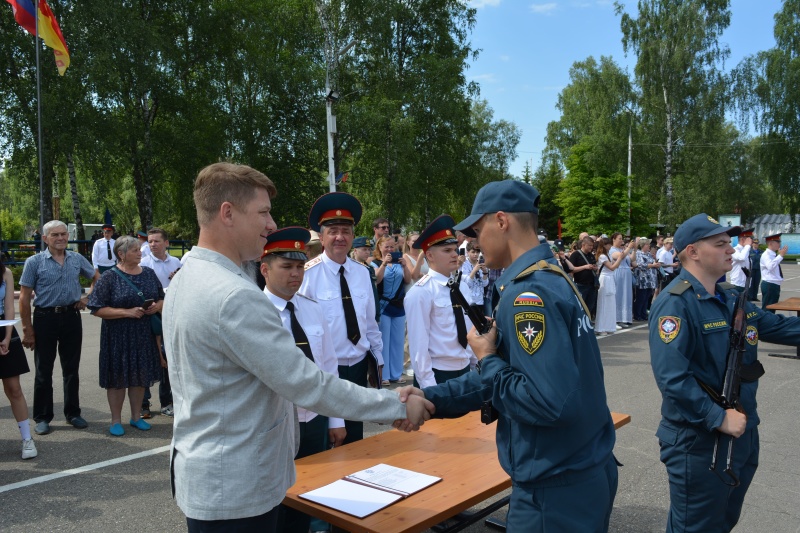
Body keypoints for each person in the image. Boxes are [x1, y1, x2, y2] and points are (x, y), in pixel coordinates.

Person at [164, 163, 432, 531]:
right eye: (263, 212)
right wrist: (393, 403)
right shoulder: (234, 296)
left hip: (212, 476)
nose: (272, 224)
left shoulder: (186, 276)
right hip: (239, 486)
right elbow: (306, 383)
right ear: (227, 213)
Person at [399, 180, 618, 532]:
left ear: (502, 221)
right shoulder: (551, 277)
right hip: (577, 470)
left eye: (476, 229)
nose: (471, 242)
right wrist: (431, 398)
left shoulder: (527, 294)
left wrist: (487, 359)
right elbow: (507, 378)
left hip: (555, 489)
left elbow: (548, 402)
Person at [648, 213, 800, 532]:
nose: (731, 249)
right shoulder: (676, 304)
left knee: (723, 521)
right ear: (693, 251)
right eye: (720, 244)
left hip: (742, 429)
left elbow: (784, 328)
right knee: (697, 525)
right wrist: (718, 418)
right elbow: (672, 379)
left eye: (729, 243)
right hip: (700, 438)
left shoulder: (731, 297)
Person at [260, 227, 345, 533]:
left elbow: (329, 369)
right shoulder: (255, 313)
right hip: (277, 423)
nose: (296, 274)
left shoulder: (312, 309)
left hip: (316, 419)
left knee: (312, 494)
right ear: (265, 269)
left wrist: (336, 420)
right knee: (277, 500)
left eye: (299, 266)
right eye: (287, 267)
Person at [300, 192, 389, 445]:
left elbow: (370, 323)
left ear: (352, 235)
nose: (340, 237)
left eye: (346, 231)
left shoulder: (362, 273)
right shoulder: (307, 276)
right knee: (328, 442)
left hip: (359, 367)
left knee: (355, 441)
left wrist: (378, 359)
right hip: (326, 372)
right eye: (333, 231)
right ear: (323, 236)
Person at [19, 220, 99, 435]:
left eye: (63, 234)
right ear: (45, 238)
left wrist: (87, 298)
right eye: (55, 235)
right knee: (44, 371)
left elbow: (97, 278)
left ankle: (73, 413)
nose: (61, 238)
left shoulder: (76, 259)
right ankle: (43, 417)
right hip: (45, 318)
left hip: (71, 317)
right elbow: (24, 298)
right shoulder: (34, 262)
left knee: (71, 369)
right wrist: (27, 328)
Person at [88, 236, 163, 436]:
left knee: (139, 377)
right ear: (121, 254)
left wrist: (156, 306)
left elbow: (161, 298)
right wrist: (127, 312)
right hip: (117, 336)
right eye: (135, 250)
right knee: (117, 378)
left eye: (139, 249)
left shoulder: (148, 273)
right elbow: (96, 308)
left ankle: (136, 417)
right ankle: (115, 420)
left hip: (143, 334)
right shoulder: (109, 277)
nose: (140, 253)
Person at [405, 215, 476, 389]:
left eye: (455, 249)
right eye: (447, 251)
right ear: (429, 254)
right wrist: (430, 388)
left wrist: (475, 366)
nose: (454, 255)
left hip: (466, 370)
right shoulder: (421, 292)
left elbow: (469, 331)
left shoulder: (462, 288)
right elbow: (418, 349)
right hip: (437, 374)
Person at [139, 227, 182, 418]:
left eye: (156, 241)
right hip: (150, 314)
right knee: (148, 357)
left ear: (167, 243)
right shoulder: (144, 264)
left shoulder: (176, 262)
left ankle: (167, 402)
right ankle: (144, 404)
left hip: (170, 313)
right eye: (150, 241)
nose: (152, 244)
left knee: (168, 358)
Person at [1, 256, 37, 459]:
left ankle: (26, 439)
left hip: (3, 332)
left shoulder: (4, 272)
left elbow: (8, 308)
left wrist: (7, 337)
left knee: (14, 389)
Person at [371, 236, 411, 385]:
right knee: (384, 342)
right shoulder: (374, 263)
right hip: (384, 306)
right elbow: (377, 279)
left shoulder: (399, 263)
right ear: (380, 247)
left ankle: (396, 373)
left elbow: (407, 280)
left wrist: (405, 266)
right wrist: (384, 264)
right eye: (386, 247)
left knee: (398, 341)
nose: (389, 250)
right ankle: (384, 374)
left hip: (399, 306)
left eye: (392, 247)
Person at [595, 237, 630, 336]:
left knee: (610, 303)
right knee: (604, 303)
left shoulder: (607, 255)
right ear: (605, 245)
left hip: (610, 278)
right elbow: (612, 267)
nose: (610, 246)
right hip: (605, 279)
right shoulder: (602, 256)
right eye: (609, 244)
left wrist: (618, 260)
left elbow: (615, 266)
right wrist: (620, 258)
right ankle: (600, 327)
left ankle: (609, 326)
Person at [609, 232, 637, 327]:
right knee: (618, 295)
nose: (621, 240)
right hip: (618, 272)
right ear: (614, 239)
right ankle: (615, 319)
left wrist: (634, 249)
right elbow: (619, 256)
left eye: (622, 239)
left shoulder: (623, 249)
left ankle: (623, 318)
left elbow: (632, 259)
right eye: (619, 238)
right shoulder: (612, 250)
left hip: (626, 274)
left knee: (626, 295)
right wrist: (628, 248)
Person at [351, 236, 380, 322]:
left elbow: (373, 292)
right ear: (355, 250)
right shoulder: (350, 268)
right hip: (357, 313)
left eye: (369, 249)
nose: (367, 252)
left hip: (371, 310)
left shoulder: (369, 268)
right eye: (364, 249)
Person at [570, 236, 599, 319]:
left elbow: (594, 266)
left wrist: (594, 268)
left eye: (592, 245)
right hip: (581, 284)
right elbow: (571, 269)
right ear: (583, 244)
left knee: (590, 306)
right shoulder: (575, 255)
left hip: (592, 285)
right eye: (589, 245)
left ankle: (588, 322)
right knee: (580, 306)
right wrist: (585, 267)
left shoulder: (591, 255)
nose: (591, 247)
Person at [632, 238, 659, 322]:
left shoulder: (649, 254)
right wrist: (652, 265)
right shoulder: (639, 254)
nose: (649, 246)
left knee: (647, 297)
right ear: (643, 245)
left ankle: (643, 314)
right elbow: (640, 265)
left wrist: (655, 260)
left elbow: (653, 262)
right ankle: (637, 314)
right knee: (641, 297)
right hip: (642, 279)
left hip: (650, 280)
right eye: (647, 244)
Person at [460, 240, 488, 317]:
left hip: (480, 300)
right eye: (473, 252)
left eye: (477, 252)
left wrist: (485, 272)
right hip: (469, 300)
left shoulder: (481, 263)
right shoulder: (464, 265)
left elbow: (485, 284)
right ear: (468, 252)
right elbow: (468, 284)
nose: (475, 254)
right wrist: (474, 270)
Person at [760, 233, 787, 312]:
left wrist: (779, 256)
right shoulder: (766, 255)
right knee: (768, 308)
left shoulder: (773, 254)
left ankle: (770, 323)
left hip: (774, 284)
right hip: (769, 284)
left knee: (772, 309)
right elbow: (770, 267)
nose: (779, 244)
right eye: (777, 242)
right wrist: (780, 256)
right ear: (770, 243)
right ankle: (765, 324)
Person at [747, 237, 762, 301]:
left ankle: (754, 297)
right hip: (751, 269)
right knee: (751, 283)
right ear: (752, 244)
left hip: (758, 269)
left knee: (756, 283)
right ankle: (750, 297)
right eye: (754, 243)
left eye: (757, 243)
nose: (756, 244)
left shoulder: (761, 252)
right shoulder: (749, 251)